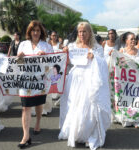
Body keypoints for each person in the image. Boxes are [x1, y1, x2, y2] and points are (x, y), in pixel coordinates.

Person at [58, 22, 111, 150]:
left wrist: (95, 58)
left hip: (91, 80)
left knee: (90, 107)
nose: (82, 34)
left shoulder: (97, 47)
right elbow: (68, 63)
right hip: (75, 79)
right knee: (75, 106)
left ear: (89, 33)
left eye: (84, 31)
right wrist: (64, 54)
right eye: (80, 31)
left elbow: (104, 64)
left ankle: (89, 134)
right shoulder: (72, 46)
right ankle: (77, 133)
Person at [16, 20, 53, 149]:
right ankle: (26, 135)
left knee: (38, 104)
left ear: (41, 32)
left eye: (38, 30)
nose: (36, 33)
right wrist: (19, 57)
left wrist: (45, 56)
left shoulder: (46, 46)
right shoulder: (23, 44)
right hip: (25, 80)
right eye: (33, 30)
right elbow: (18, 65)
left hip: (40, 81)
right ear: (29, 32)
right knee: (25, 107)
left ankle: (38, 122)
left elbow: (51, 65)